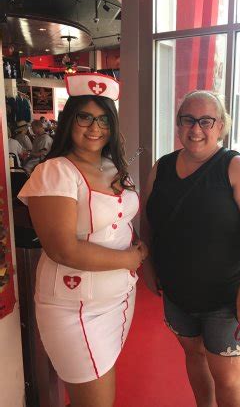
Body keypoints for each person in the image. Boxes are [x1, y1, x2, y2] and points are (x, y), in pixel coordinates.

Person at [18, 73, 148, 407]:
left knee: (92, 391)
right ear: (68, 120)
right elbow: (62, 248)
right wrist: (129, 259)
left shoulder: (113, 165)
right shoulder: (55, 171)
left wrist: (135, 248)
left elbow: (117, 220)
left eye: (104, 119)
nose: (95, 128)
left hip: (118, 298)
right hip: (75, 307)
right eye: (85, 117)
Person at [143, 90, 240, 407]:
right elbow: (148, 220)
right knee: (194, 356)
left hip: (227, 298)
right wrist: (147, 267)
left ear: (221, 126)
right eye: (188, 120)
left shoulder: (235, 167)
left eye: (205, 121)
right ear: (178, 124)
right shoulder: (161, 167)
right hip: (177, 292)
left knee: (228, 376)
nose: (196, 129)